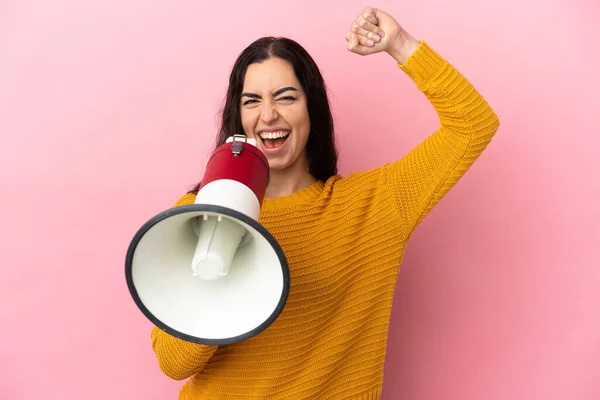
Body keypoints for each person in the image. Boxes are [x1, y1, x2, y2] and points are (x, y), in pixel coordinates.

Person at [151, 6, 500, 399]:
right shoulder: (201, 212)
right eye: (252, 101)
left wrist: (401, 45)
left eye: (285, 97)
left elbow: (473, 124)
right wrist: (221, 250)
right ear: (238, 114)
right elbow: (173, 363)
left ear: (311, 109)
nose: (269, 114)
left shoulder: (375, 206)